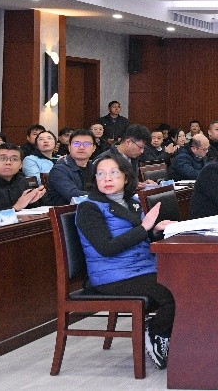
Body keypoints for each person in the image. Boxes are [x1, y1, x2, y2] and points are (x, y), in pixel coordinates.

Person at [74, 153, 175, 369]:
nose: (107, 179)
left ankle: (178, 337)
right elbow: (107, 248)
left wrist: (155, 230)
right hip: (112, 275)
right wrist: (144, 228)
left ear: (126, 177)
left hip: (141, 267)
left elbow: (141, 237)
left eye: (113, 173)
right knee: (172, 294)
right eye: (100, 174)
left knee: (187, 282)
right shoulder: (88, 208)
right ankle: (156, 332)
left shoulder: (132, 202)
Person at [49, 129, 97, 204]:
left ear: (93, 148)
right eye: (76, 144)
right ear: (69, 147)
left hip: (91, 208)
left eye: (87, 144)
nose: (81, 147)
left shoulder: (95, 167)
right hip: (65, 210)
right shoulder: (59, 169)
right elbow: (73, 194)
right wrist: (103, 196)